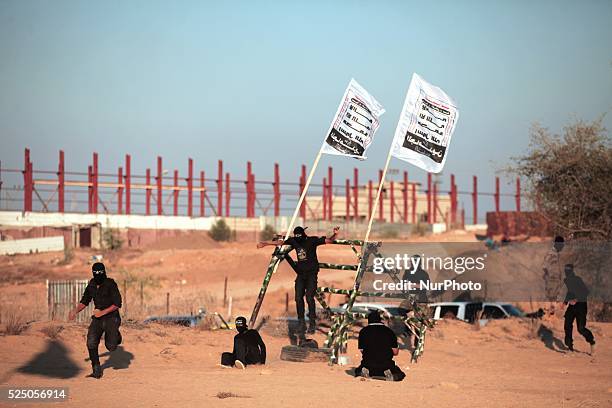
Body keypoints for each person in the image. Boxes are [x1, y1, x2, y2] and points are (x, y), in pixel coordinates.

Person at [258, 226, 339, 334]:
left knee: (310, 297)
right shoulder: (294, 240)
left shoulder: (312, 240)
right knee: (298, 298)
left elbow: (329, 241)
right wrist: (265, 243)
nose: (297, 238)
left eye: (299, 236)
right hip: (301, 275)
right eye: (296, 236)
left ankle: (312, 322)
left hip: (311, 274)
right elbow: (280, 242)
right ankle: (301, 322)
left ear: (303, 234)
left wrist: (335, 234)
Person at [68, 262, 122, 379]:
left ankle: (117, 336)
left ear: (104, 272)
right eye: (95, 273)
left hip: (112, 317)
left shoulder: (111, 284)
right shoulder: (91, 285)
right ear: (93, 273)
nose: (97, 275)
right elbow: (85, 301)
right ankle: (96, 370)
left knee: (111, 346)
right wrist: (75, 311)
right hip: (97, 318)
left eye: (99, 273)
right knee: (91, 342)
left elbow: (117, 304)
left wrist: (102, 312)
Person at [354, 310, 405, 382]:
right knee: (400, 374)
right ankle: (387, 373)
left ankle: (366, 371)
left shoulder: (363, 331)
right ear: (380, 320)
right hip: (386, 364)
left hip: (368, 363)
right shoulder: (389, 331)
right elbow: (395, 352)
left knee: (357, 370)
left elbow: (362, 350)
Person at [563, 264, 596, 354]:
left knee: (581, 328)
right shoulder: (567, 280)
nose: (566, 272)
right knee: (567, 325)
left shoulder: (578, 279)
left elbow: (585, 292)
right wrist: (565, 302)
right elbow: (570, 292)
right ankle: (570, 347)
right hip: (572, 306)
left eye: (568, 270)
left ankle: (592, 341)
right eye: (565, 270)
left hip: (581, 306)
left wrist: (576, 299)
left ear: (572, 270)